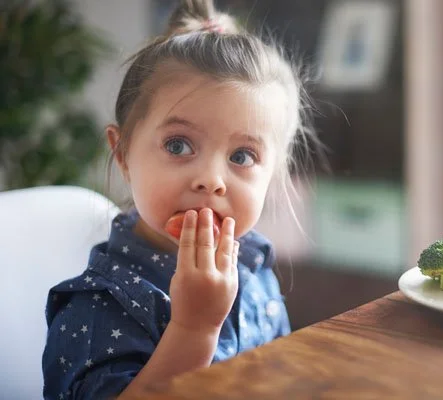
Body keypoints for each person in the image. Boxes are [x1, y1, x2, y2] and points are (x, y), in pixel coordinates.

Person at [41, 0, 319, 398]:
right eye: (178, 145)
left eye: (242, 156)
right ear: (123, 154)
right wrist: (194, 329)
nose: (211, 180)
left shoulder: (254, 265)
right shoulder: (97, 307)